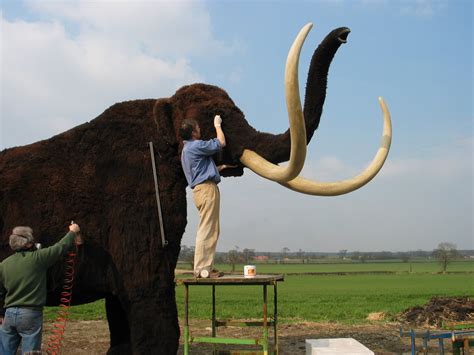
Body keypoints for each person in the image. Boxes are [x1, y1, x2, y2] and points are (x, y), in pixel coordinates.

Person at [0, 223, 80, 355]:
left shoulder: (3, 265)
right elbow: (60, 247)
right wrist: (73, 232)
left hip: (9, 314)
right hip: (30, 314)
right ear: (28, 244)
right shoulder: (38, 259)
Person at [180, 115, 231, 278]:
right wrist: (217, 125)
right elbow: (221, 143)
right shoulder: (196, 146)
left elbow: (200, 170)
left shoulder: (186, 150)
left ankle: (206, 267)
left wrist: (219, 168)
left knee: (211, 228)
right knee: (208, 228)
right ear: (194, 132)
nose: (200, 129)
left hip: (200, 190)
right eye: (198, 127)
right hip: (207, 189)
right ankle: (202, 269)